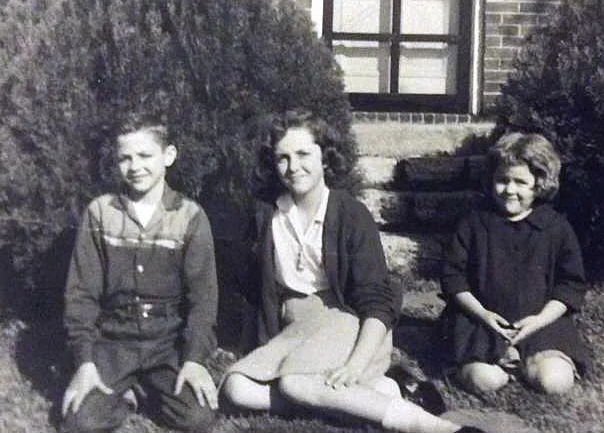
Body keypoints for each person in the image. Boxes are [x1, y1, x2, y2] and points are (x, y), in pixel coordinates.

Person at [221, 109, 486, 433]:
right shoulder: (266, 215)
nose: (294, 167)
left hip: (347, 318)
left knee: (293, 383)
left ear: (325, 156)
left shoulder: (350, 214)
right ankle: (383, 393)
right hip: (296, 328)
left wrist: (356, 366)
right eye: (283, 158)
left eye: (304, 154)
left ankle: (435, 428)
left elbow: (376, 300)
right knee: (237, 389)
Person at [60, 110, 218, 432]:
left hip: (166, 343)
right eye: (125, 158)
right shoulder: (100, 213)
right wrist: (85, 362)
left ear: (168, 156)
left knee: (198, 417)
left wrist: (194, 359)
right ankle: (127, 391)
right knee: (80, 422)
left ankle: (144, 389)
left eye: (145, 155)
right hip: (114, 342)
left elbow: (203, 299)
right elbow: (81, 294)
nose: (135, 167)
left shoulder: (190, 216)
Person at [440, 132, 590, 395]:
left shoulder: (555, 227)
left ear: (539, 184)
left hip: (540, 325)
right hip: (481, 323)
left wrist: (539, 320)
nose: (510, 190)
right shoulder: (474, 224)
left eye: (520, 182)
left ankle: (529, 361)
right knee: (485, 381)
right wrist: (483, 315)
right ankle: (490, 364)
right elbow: (453, 278)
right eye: (502, 180)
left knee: (554, 382)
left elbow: (570, 286)